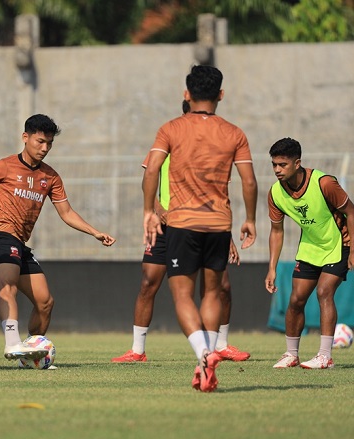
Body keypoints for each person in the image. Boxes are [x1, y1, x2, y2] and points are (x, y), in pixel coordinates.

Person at [0, 114, 116, 363]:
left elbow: (67, 212)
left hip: (19, 243)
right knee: (8, 287)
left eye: (49, 143)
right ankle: (12, 344)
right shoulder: (4, 166)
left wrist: (94, 231)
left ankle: (29, 353)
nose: (45, 148)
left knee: (45, 303)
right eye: (40, 142)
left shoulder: (50, 177)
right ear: (25, 138)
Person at [143, 66, 258, 392]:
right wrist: (249, 219)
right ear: (221, 95)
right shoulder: (234, 133)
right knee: (211, 292)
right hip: (219, 225)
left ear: (186, 94)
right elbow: (249, 180)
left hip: (182, 224)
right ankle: (207, 357)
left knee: (182, 294)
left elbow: (151, 170)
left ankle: (204, 353)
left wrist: (149, 211)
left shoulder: (170, 129)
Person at [112, 101, 250, 364]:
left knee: (221, 286)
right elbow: (148, 179)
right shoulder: (169, 138)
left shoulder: (212, 148)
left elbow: (221, 193)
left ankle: (219, 345)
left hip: (204, 224)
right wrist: (156, 209)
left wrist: (228, 233)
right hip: (166, 226)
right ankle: (137, 350)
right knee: (148, 282)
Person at [265, 137, 354, 369]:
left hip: (338, 243)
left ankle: (325, 356)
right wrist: (272, 268)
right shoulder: (275, 193)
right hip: (310, 247)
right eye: (274, 164)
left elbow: (351, 213)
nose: (277, 170)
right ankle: (291, 354)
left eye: (282, 164)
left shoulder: (324, 183)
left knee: (324, 292)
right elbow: (276, 231)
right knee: (296, 299)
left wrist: (353, 249)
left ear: (297, 163)